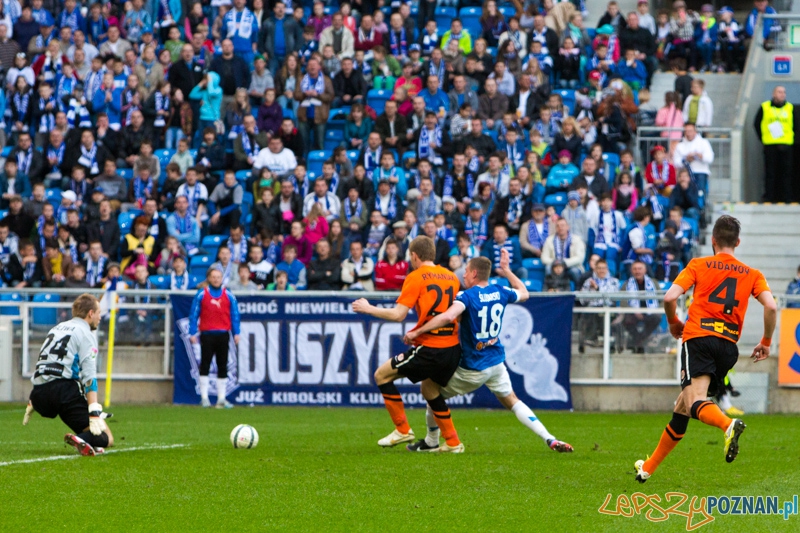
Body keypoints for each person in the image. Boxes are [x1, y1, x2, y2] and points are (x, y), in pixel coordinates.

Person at [635, 215, 777, 483]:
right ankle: (648, 468)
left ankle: (727, 424)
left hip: (699, 338)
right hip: (728, 348)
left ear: (713, 241)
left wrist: (674, 321)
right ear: (737, 242)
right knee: (683, 405)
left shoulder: (699, 264)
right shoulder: (753, 274)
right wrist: (766, 342)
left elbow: (670, 297)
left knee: (694, 400)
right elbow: (771, 306)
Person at [404, 251, 573, 453]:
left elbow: (448, 316)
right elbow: (524, 293)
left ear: (474, 273)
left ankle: (433, 440)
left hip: (473, 366)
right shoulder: (500, 291)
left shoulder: (466, 296)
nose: (463, 276)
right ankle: (550, 439)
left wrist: (418, 331)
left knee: (430, 390)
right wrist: (508, 271)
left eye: (466, 272)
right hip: (495, 362)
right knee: (512, 400)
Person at [353, 236, 464, 453]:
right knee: (430, 389)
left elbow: (398, 315)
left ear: (414, 255)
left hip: (432, 348)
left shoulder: (416, 276)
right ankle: (452, 442)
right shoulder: (452, 277)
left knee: (381, 375)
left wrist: (369, 308)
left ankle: (402, 429)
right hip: (452, 348)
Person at [24, 293, 114, 457]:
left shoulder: (57, 328)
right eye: (99, 312)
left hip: (39, 395)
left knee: (90, 429)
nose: (100, 317)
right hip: (64, 392)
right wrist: (94, 411)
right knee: (106, 437)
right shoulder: (86, 333)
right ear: (90, 313)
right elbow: (89, 376)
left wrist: (34, 399)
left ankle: (86, 440)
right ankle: (81, 439)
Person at [189, 267, 241, 409]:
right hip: (207, 334)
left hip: (223, 334)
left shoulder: (228, 294)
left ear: (222, 278)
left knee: (222, 365)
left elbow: (235, 315)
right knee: (205, 365)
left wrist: (237, 332)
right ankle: (204, 398)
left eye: (219, 277)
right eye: (214, 277)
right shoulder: (202, 294)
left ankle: (221, 399)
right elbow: (194, 314)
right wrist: (192, 332)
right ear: (209, 278)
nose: (216, 279)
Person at [753, 86, 797, 203]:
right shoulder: (765, 107)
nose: (782, 94)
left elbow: (796, 125)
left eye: (784, 92)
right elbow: (756, 124)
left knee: (786, 173)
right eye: (779, 92)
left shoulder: (790, 108)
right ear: (773, 94)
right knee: (770, 172)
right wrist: (762, 138)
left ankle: (787, 197)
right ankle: (769, 197)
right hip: (770, 144)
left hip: (786, 144)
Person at [623, 260, 662, 353]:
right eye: (635, 269)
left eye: (640, 269)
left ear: (645, 270)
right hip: (633, 313)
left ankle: (636, 342)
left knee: (656, 318)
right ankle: (640, 343)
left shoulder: (654, 283)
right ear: (632, 271)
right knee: (626, 320)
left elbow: (662, 299)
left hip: (650, 312)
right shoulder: (627, 284)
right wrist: (634, 311)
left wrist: (657, 310)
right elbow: (623, 302)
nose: (637, 271)